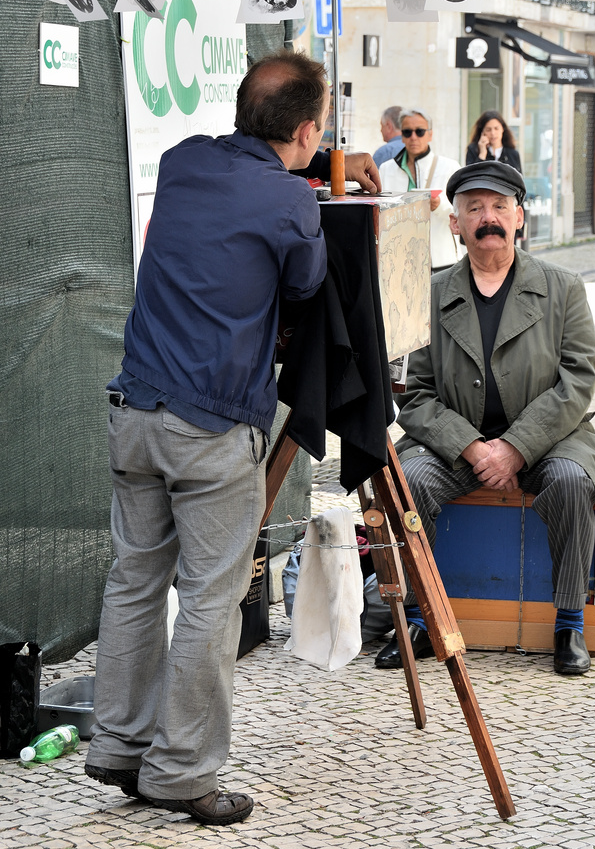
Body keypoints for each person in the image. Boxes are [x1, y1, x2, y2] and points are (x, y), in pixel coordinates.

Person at [84, 51, 381, 825]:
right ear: (309, 130)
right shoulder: (288, 199)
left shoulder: (184, 163)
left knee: (134, 581)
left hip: (134, 408)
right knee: (212, 600)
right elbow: (309, 282)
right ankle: (181, 772)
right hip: (208, 424)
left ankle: (118, 744)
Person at [374, 161, 595, 676]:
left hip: (551, 440)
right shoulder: (430, 291)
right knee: (408, 481)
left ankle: (569, 622)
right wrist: (472, 447)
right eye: (475, 209)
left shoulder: (563, 287)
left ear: (519, 218)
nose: (489, 218)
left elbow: (577, 382)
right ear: (455, 224)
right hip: (458, 444)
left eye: (500, 207)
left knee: (573, 482)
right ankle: (418, 619)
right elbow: (415, 395)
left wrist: (515, 447)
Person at [378, 107, 463, 271]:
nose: (413, 137)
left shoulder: (449, 167)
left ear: (430, 134)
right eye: (407, 132)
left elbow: (463, 213)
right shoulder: (386, 169)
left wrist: (439, 206)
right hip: (400, 261)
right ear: (402, 135)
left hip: (440, 259)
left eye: (420, 131)